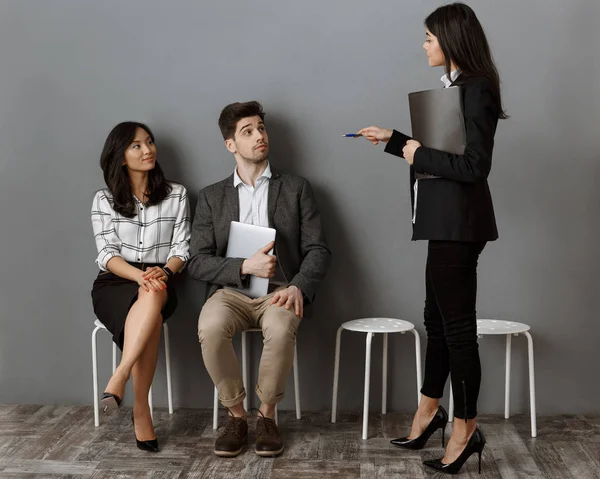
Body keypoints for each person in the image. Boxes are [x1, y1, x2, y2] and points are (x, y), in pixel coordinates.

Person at [357, 3, 506, 474]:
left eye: (428, 37)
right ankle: (428, 411)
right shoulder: (458, 87)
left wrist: (414, 150)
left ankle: (465, 429)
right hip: (443, 222)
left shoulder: (476, 88)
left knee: (458, 329)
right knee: (436, 320)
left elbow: (473, 166)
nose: (423, 45)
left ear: (450, 38)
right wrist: (396, 140)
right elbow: (442, 152)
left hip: (459, 225)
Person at [187, 101, 331, 458]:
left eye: (261, 128)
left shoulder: (296, 188)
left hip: (280, 292)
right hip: (230, 293)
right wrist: (242, 267)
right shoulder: (211, 197)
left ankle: (267, 417)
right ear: (230, 144)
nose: (259, 136)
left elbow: (318, 250)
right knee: (210, 325)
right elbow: (197, 262)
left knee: (282, 328)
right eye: (247, 131)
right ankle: (236, 416)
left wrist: (298, 285)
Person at [91, 122, 191, 452]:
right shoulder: (103, 200)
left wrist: (162, 271)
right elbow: (106, 254)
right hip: (115, 282)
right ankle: (140, 408)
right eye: (136, 146)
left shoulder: (177, 194)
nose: (147, 150)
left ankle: (120, 377)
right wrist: (139, 276)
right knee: (148, 304)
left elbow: (182, 248)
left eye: (149, 142)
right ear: (120, 156)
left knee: (152, 294)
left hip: (162, 277)